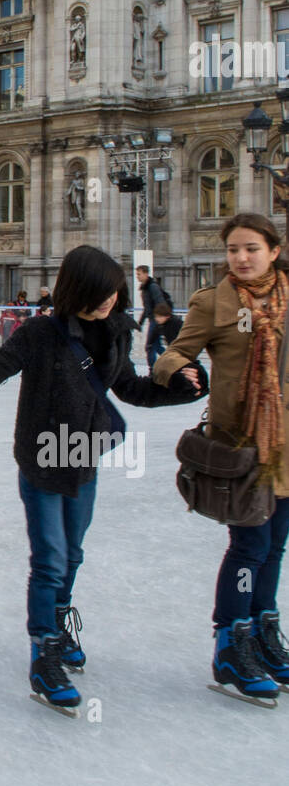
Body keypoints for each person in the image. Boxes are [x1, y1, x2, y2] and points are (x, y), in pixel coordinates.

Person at [0, 245, 205, 711]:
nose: (111, 301)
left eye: (115, 292)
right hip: (41, 459)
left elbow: (130, 389)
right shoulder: (40, 333)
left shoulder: (114, 333)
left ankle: (59, 615)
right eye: (101, 293)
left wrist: (176, 390)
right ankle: (44, 652)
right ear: (78, 290)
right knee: (50, 559)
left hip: (84, 457)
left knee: (72, 554)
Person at [153, 213, 289, 703]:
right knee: (250, 547)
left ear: (273, 251)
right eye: (233, 249)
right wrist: (180, 371)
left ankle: (263, 633)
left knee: (274, 547)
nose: (241, 258)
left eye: (251, 248)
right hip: (242, 447)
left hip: (286, 447)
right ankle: (231, 642)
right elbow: (171, 354)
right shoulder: (214, 302)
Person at [136, 265, 167, 370]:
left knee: (149, 346)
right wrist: (140, 322)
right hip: (153, 319)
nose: (137, 276)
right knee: (156, 346)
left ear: (145, 274)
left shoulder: (152, 287)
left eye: (139, 274)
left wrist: (159, 320)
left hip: (156, 321)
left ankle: (152, 370)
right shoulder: (145, 289)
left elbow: (160, 303)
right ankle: (173, 361)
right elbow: (147, 308)